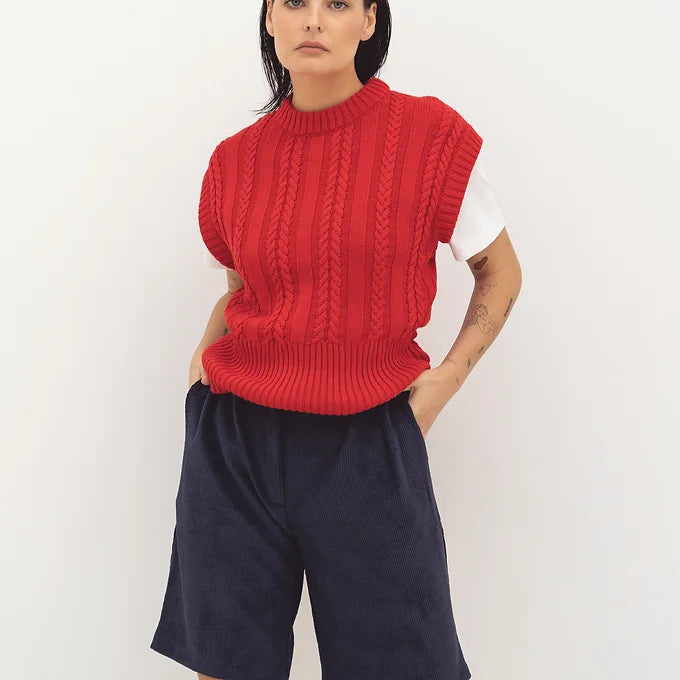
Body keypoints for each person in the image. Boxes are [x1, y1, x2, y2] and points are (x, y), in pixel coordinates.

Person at [150, 1, 523, 679]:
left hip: (366, 445)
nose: (314, 20)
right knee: (226, 666)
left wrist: (445, 380)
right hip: (234, 445)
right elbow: (241, 291)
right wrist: (199, 369)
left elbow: (499, 271)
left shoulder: (429, 138)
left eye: (338, 4)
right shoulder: (234, 162)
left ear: (370, 21)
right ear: (269, 19)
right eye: (294, 3)